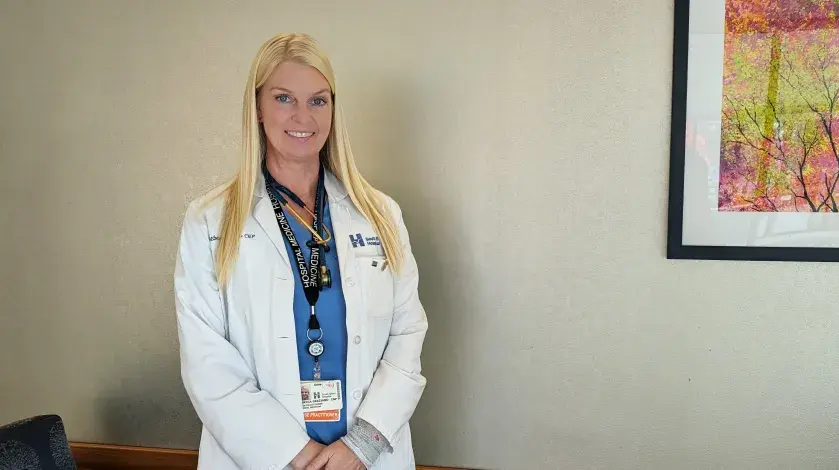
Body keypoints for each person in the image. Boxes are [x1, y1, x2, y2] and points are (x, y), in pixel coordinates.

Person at [173, 32, 428, 470]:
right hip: (263, 459)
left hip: (364, 458)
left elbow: (407, 335)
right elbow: (206, 364)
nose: (302, 116)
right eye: (283, 98)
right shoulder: (210, 222)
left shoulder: (379, 214)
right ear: (257, 107)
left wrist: (361, 447)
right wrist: (298, 456)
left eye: (317, 101)